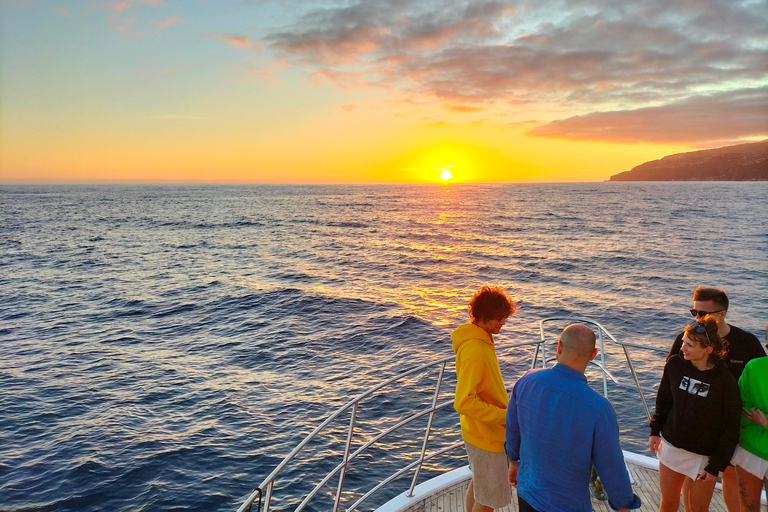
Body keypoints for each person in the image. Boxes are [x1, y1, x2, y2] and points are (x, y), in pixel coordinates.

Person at [505, 323, 640, 512]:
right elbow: (612, 468)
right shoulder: (599, 409)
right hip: (568, 505)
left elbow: (512, 431)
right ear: (593, 355)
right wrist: (623, 504)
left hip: (528, 495)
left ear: (558, 347)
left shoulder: (526, 381)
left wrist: (513, 461)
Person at [667, 287, 765, 511]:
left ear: (722, 314)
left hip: (733, 427)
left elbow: (762, 377)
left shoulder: (746, 342)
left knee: (731, 477)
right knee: (690, 479)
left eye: (703, 314)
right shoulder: (685, 340)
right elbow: (671, 382)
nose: (698, 319)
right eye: (694, 313)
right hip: (695, 429)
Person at [650, 316, 742, 512]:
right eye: (683, 341)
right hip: (671, 445)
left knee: (697, 508)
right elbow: (664, 401)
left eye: (690, 345)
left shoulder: (725, 382)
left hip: (703, 456)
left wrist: (715, 466)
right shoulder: (675, 365)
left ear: (708, 350)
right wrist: (654, 431)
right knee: (667, 503)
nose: (682, 348)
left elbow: (731, 428)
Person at [452, 285, 516, 512]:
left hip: (478, 431)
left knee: (481, 486)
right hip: (487, 436)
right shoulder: (475, 350)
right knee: (489, 499)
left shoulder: (480, 339)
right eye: (499, 318)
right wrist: (505, 416)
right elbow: (463, 401)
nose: (503, 323)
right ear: (485, 317)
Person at [732, 332, 768, 512]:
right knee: (748, 508)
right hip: (750, 449)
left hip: (755, 436)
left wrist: (765, 423)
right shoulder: (754, 367)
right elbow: (741, 404)